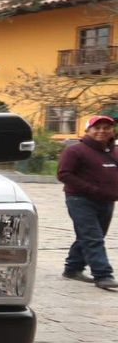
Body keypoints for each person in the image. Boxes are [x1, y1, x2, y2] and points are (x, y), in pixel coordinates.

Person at [59, 114, 118, 290]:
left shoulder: (114, 152)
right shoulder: (75, 151)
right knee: (93, 237)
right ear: (88, 130)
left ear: (112, 130)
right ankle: (103, 275)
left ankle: (72, 269)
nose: (102, 131)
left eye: (106, 128)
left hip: (107, 201)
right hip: (80, 199)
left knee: (90, 235)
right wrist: (92, 189)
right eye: (97, 128)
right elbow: (64, 174)